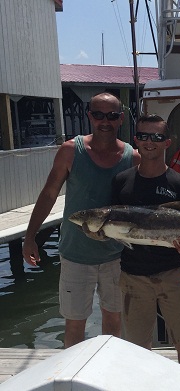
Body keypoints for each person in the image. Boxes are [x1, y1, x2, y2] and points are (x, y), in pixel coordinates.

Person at [22, 92, 141, 348]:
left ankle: (107, 376)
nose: (104, 121)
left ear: (120, 119)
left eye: (111, 116)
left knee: (113, 320)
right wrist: (30, 237)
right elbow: (49, 193)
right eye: (98, 114)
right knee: (75, 323)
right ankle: (73, 382)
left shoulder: (133, 158)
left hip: (116, 255)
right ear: (89, 116)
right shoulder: (70, 151)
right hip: (75, 253)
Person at [111, 115, 180, 372]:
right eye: (144, 136)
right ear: (136, 139)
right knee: (137, 350)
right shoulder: (121, 182)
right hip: (133, 275)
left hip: (171, 274)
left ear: (167, 143)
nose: (150, 142)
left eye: (157, 137)